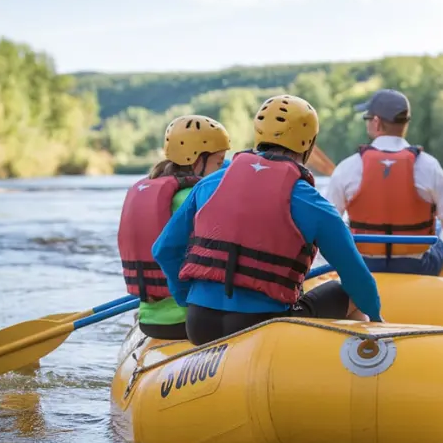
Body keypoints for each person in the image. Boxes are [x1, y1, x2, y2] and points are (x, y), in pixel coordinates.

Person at [152, 94, 383, 346]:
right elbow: (355, 275)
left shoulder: (208, 184)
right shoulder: (309, 199)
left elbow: (163, 250)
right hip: (263, 327)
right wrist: (376, 317)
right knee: (344, 292)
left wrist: (187, 298)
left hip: (199, 325)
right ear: (309, 144)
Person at [325, 88, 443, 276]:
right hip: (418, 267)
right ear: (405, 124)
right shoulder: (429, 165)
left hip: (364, 266)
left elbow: (327, 227)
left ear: (376, 122)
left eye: (367, 118)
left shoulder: (348, 167)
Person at [117, 115, 230, 340]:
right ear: (198, 159)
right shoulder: (195, 197)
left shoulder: (153, 184)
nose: (220, 169)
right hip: (187, 321)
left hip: (150, 321)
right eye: (218, 162)